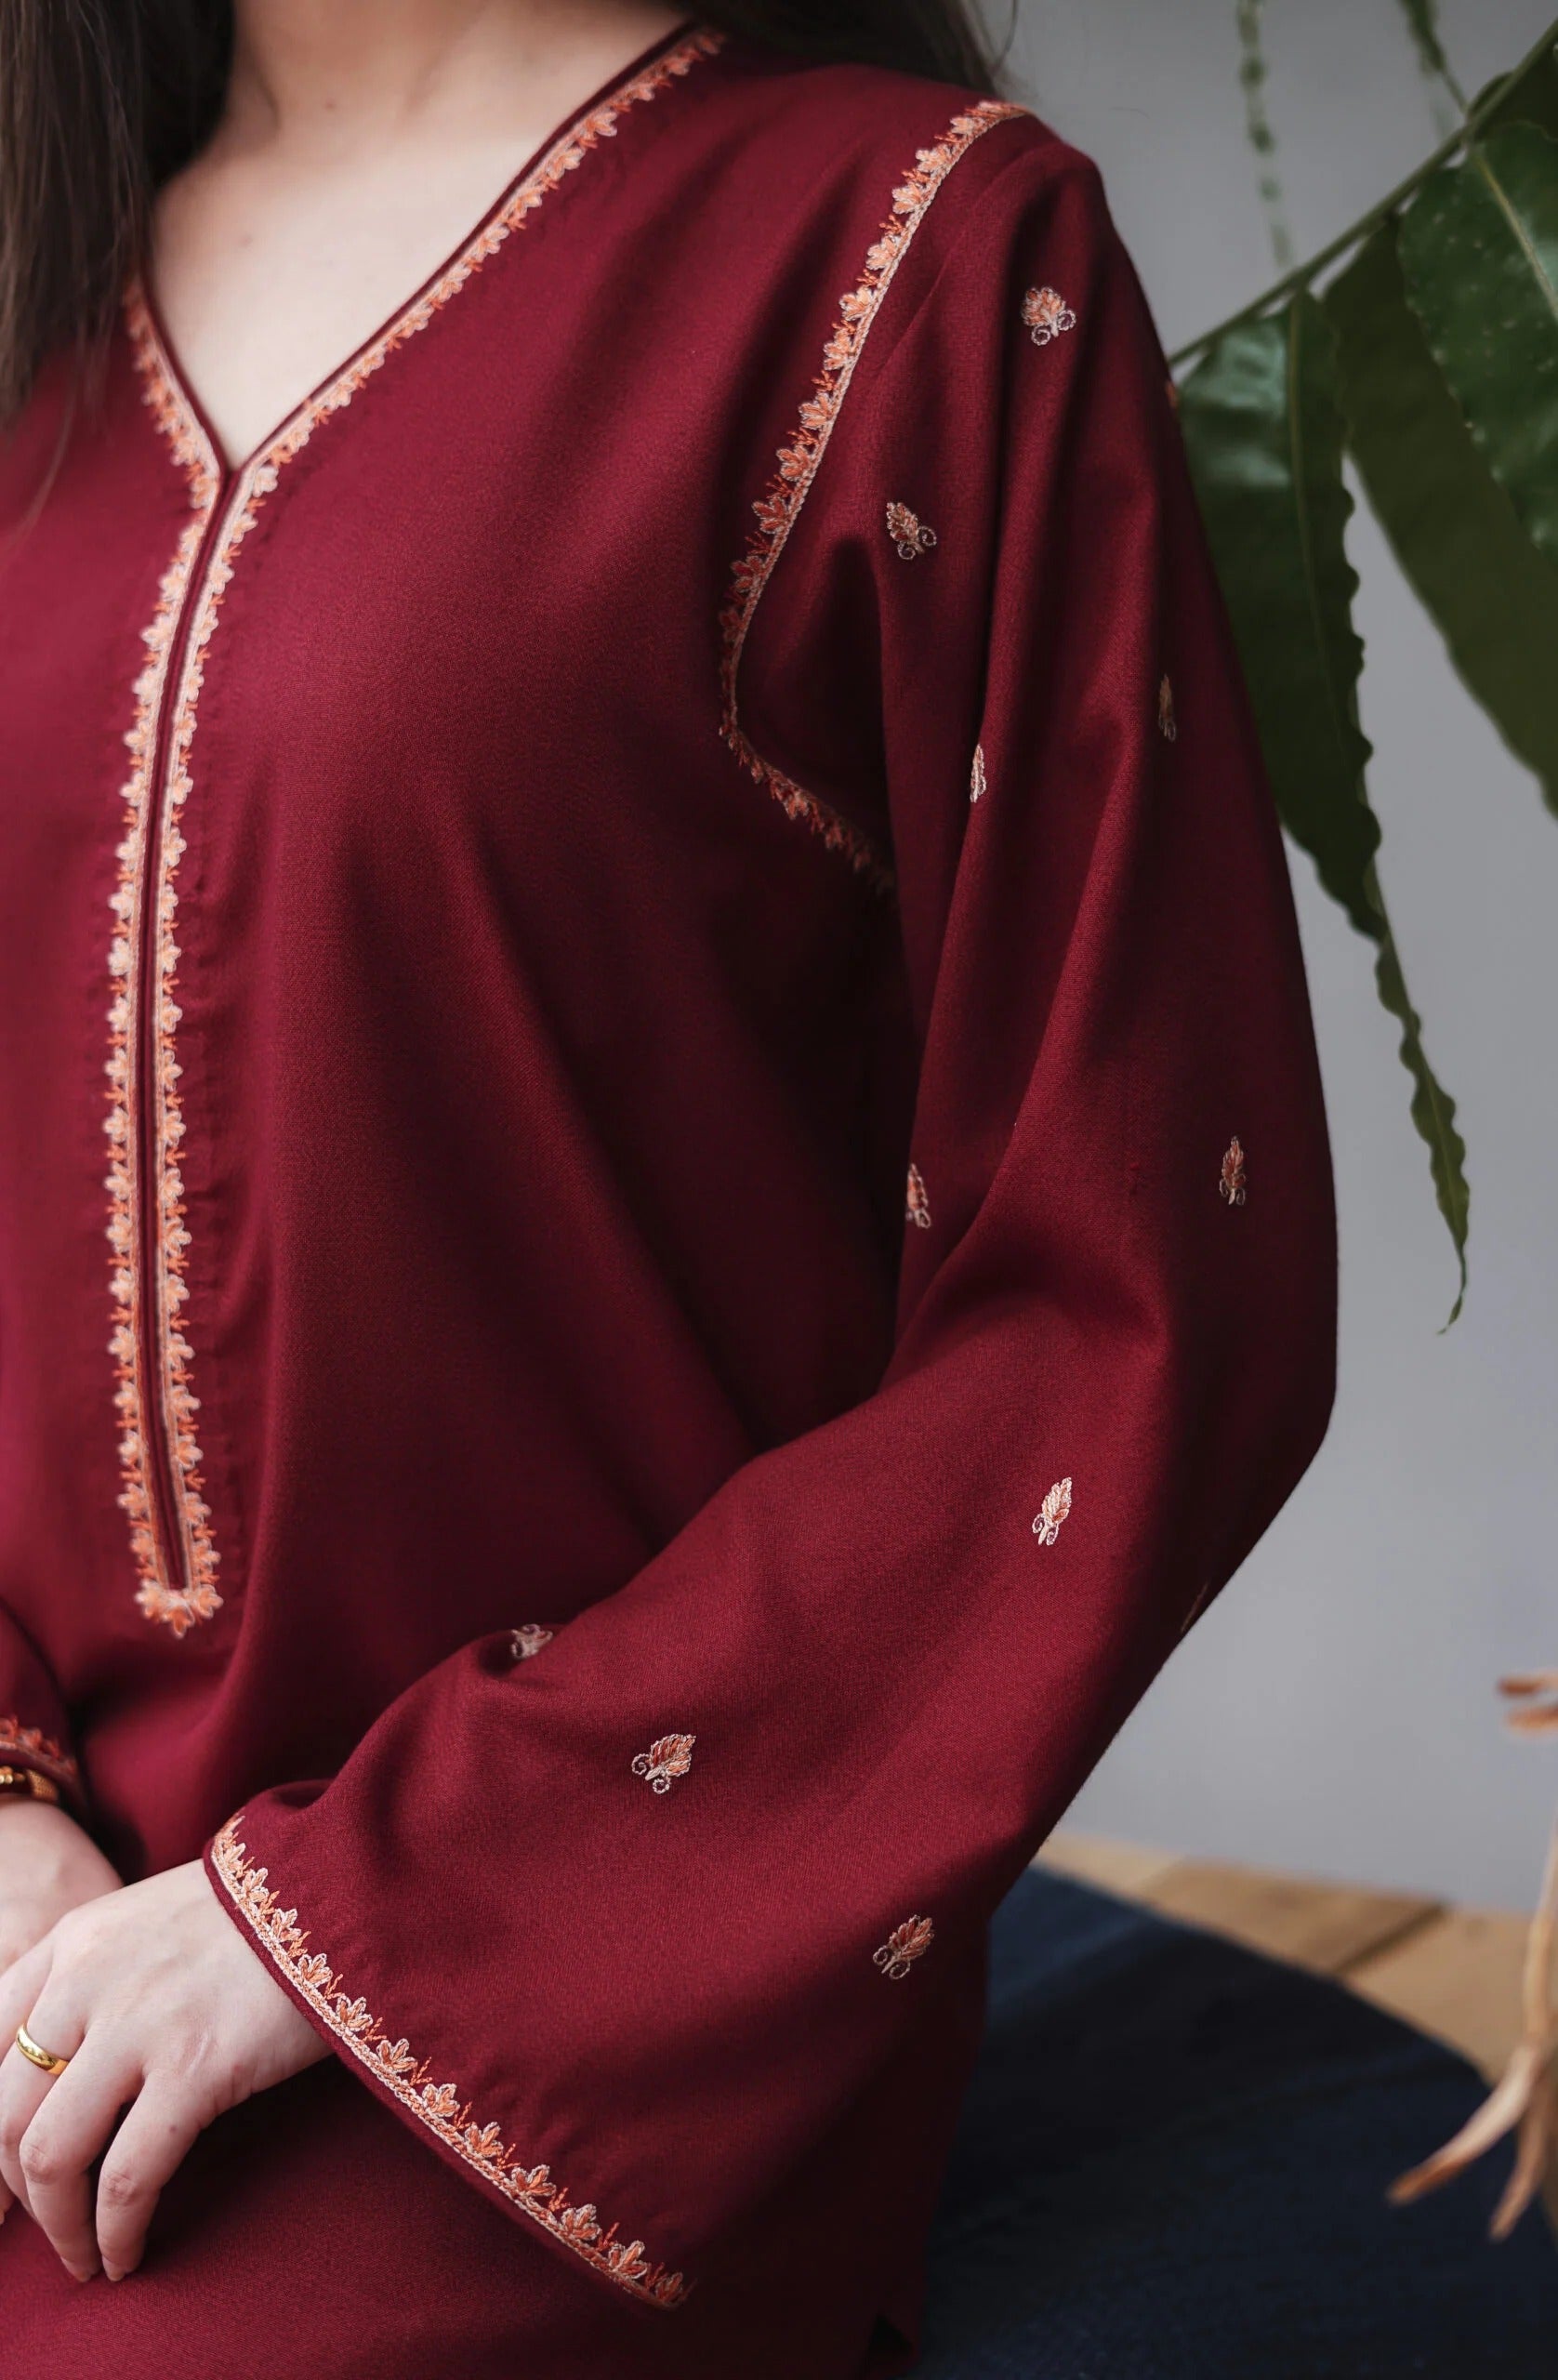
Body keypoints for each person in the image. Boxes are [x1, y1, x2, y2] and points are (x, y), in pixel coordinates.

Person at [0, 3, 1338, 2373]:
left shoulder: (915, 256)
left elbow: (1141, 1285)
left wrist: (341, 1925)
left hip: (555, 2028)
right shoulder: (36, 282)